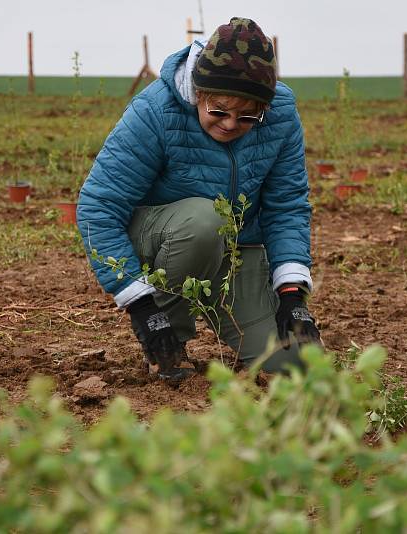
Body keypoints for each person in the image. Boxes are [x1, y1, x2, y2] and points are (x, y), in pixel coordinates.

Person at [77, 17, 320, 380]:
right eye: (219, 110)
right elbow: (98, 207)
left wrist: (291, 295)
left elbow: (285, 204)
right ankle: (167, 340)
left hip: (237, 248)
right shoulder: (155, 111)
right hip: (163, 237)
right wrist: (142, 306)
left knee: (294, 366)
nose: (230, 124)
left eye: (248, 115)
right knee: (206, 220)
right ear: (198, 92)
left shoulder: (281, 114)